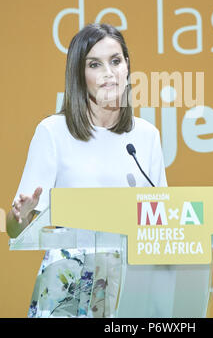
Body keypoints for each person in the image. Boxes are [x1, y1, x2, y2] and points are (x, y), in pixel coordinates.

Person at [6, 23, 168, 318]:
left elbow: (161, 222)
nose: (109, 72)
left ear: (128, 67)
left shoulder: (147, 136)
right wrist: (20, 216)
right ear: (80, 75)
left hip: (127, 283)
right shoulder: (53, 131)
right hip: (68, 284)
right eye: (95, 64)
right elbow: (16, 229)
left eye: (116, 61)